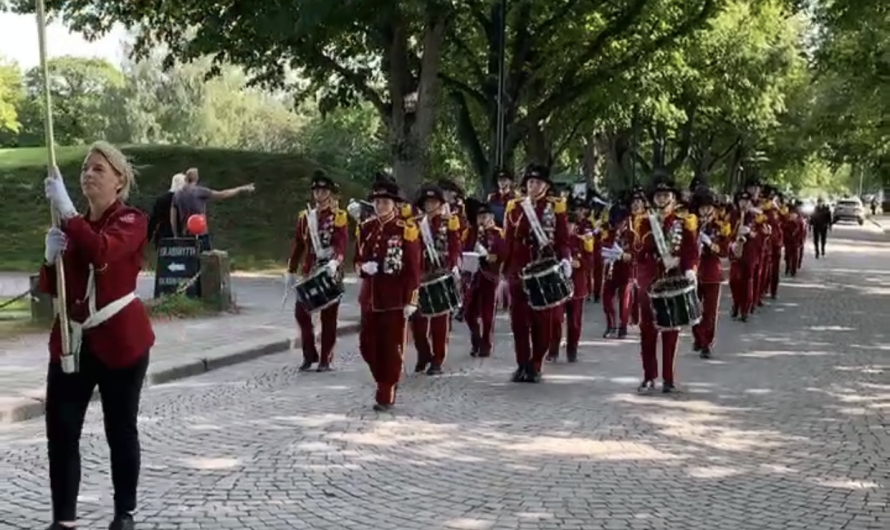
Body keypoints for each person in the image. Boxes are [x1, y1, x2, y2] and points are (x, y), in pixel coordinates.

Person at [40, 141, 155, 530]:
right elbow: (53, 288)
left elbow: (102, 252)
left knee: (119, 428)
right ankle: (65, 519)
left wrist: (69, 213)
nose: (88, 174)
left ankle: (125, 512)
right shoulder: (70, 225)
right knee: (61, 429)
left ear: (119, 181)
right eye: (85, 169)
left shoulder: (132, 220)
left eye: (98, 170)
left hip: (121, 340)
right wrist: (49, 256)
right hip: (73, 342)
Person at [628, 170, 698, 393]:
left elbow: (691, 251)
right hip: (650, 280)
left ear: (673, 198)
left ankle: (668, 377)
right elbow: (637, 252)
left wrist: (689, 270)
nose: (661, 199)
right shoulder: (643, 222)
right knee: (647, 331)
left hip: (673, 279)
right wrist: (643, 237)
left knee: (671, 330)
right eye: (657, 196)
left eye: (665, 195)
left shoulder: (684, 222)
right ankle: (649, 376)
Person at [354, 179, 422, 411]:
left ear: (394, 204)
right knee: (366, 345)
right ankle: (383, 378)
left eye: (385, 202)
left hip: (393, 299)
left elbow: (413, 268)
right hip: (370, 297)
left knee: (390, 348)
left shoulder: (406, 230)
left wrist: (411, 299)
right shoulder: (367, 227)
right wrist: (363, 268)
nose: (380, 206)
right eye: (377, 202)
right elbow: (357, 259)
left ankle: (386, 390)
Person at [501, 164, 570, 383]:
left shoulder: (556, 207)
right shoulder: (515, 206)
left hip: (544, 266)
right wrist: (504, 269)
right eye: (530, 182)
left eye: (538, 182)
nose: (533, 186)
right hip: (519, 265)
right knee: (518, 320)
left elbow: (562, 239)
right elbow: (508, 239)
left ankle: (536, 364)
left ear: (546, 186)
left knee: (543, 320)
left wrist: (566, 258)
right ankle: (522, 363)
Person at [285, 171, 348, 372]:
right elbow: (298, 245)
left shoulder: (339, 217)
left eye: (323, 191)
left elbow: (341, 244)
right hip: (310, 271)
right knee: (301, 314)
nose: (319, 194)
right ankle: (308, 354)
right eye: (316, 191)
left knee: (329, 317)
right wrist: (291, 270)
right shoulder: (305, 217)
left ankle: (326, 358)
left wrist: (335, 263)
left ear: (330, 194)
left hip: (330, 271)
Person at [410, 185, 462, 375]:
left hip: (440, 273)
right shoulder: (415, 223)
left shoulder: (450, 222)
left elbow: (455, 245)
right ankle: (423, 354)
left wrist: (455, 265)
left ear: (440, 204)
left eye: (433, 202)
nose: (430, 205)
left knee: (440, 320)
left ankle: (437, 359)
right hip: (420, 275)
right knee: (417, 321)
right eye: (427, 202)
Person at [548, 197, 594, 362]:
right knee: (555, 320)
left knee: (574, 322)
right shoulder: (553, 242)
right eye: (565, 224)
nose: (568, 227)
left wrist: (580, 263)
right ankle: (552, 351)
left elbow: (591, 262)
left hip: (577, 286)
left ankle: (572, 350)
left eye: (571, 224)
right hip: (558, 287)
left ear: (575, 226)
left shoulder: (582, 241)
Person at [170, 167, 255, 250]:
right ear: (196, 179)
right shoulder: (200, 191)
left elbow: (173, 218)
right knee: (205, 259)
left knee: (190, 261)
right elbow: (223, 194)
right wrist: (240, 189)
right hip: (201, 233)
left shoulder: (177, 195)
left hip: (186, 234)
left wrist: (176, 235)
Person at [690, 187, 730, 358]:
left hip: (712, 272)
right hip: (692, 272)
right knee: (693, 309)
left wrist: (710, 244)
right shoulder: (690, 225)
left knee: (710, 312)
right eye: (702, 208)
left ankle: (706, 343)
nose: (705, 211)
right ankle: (698, 337)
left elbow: (724, 250)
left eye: (708, 208)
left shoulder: (721, 226)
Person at [461, 202, 504, 358]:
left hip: (489, 276)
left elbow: (502, 254)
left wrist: (490, 257)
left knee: (487, 314)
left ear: (491, 217)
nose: (481, 220)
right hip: (473, 276)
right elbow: (464, 249)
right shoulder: (470, 233)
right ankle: (476, 340)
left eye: (484, 216)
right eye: (479, 216)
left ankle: (486, 344)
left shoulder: (498, 233)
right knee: (468, 312)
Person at [727, 191, 763, 322]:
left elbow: (764, 232)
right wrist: (732, 240)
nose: (743, 204)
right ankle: (736, 303)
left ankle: (744, 310)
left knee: (747, 281)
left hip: (749, 252)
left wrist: (751, 232)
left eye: (746, 201)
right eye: (741, 201)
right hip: (736, 250)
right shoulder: (733, 215)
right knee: (733, 281)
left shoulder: (756, 216)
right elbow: (726, 231)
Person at [600, 203, 633, 339]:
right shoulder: (608, 232)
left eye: (620, 221)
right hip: (611, 270)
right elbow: (601, 247)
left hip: (626, 270)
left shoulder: (631, 234)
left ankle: (623, 326)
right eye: (616, 221)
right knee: (606, 298)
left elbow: (636, 252)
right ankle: (611, 325)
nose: (618, 224)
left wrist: (628, 255)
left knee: (624, 300)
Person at [146, 173, 185, 248]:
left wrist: (148, 236)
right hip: (182, 235)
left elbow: (153, 219)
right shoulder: (185, 199)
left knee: (164, 258)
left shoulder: (161, 199)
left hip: (164, 235)